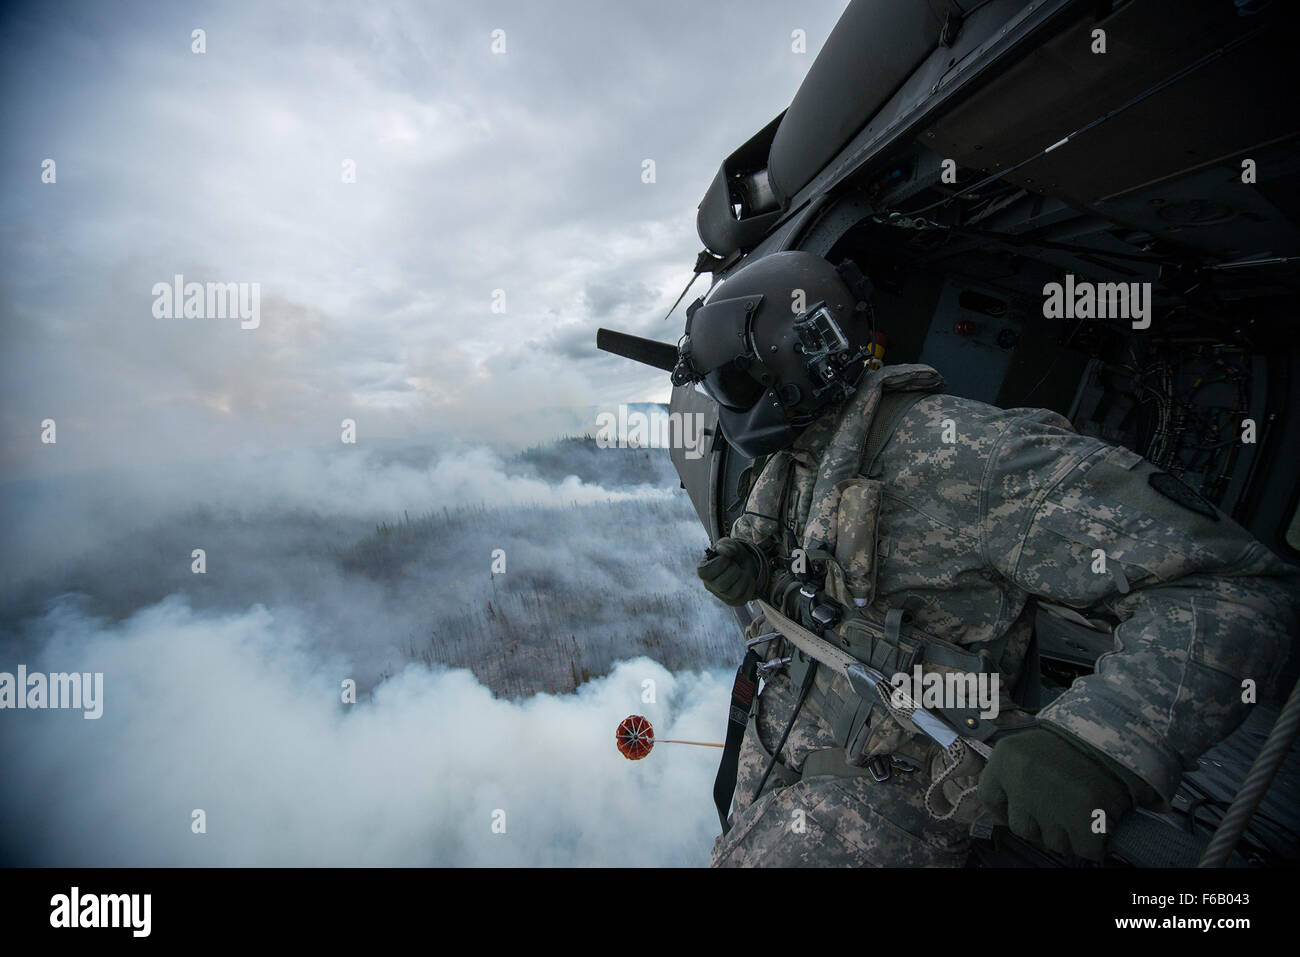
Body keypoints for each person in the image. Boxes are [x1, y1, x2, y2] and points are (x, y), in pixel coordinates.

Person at [678, 250, 1299, 866]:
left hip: (898, 779)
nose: (726, 405)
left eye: (732, 383)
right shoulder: (792, 461)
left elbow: (1228, 583)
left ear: (801, 359)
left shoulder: (971, 455)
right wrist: (751, 563)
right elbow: (779, 547)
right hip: (783, 731)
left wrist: (1104, 739)